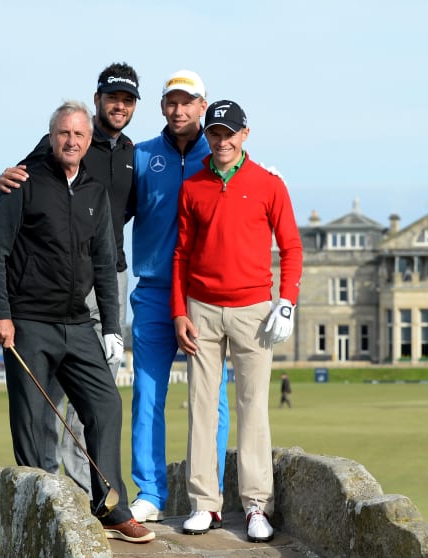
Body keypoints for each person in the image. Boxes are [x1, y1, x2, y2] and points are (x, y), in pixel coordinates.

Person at [0, 100, 153, 543]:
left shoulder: (95, 193)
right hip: (28, 321)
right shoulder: (23, 183)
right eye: (63, 134)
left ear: (88, 140)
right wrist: (0, 312)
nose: (71, 141)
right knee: (34, 419)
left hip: (78, 324)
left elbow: (105, 267)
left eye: (78, 135)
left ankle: (111, 507)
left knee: (106, 405)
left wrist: (112, 327)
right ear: (51, 138)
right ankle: (42, 510)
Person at [172, 99, 303, 542]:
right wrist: (178, 312)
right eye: (215, 133)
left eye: (229, 133)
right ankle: (205, 505)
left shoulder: (269, 184)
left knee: (253, 408)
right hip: (202, 310)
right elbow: (181, 255)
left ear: (245, 134)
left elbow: (291, 248)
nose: (222, 141)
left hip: (254, 312)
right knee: (202, 409)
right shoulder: (192, 187)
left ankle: (254, 507)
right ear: (207, 136)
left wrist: (286, 301)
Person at [126, 70, 232, 523]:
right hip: (153, 291)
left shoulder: (222, 153)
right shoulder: (142, 156)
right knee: (147, 392)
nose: (178, 110)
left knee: (212, 397)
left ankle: (209, 494)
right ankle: (150, 490)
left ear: (202, 106)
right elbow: (104, 209)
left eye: (187, 102)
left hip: (205, 294)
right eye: (171, 102)